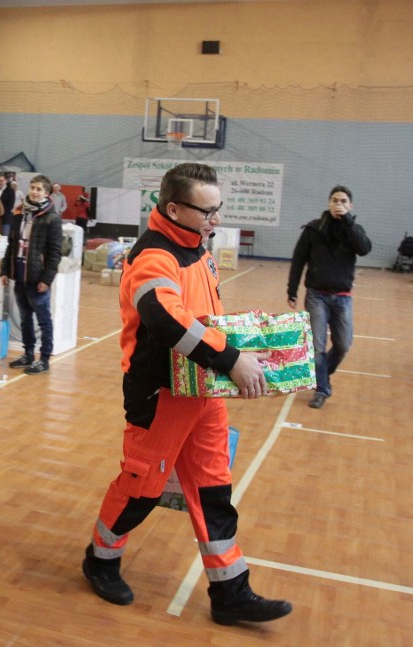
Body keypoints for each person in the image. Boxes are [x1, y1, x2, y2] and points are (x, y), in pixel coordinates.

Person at [81, 162, 293, 626]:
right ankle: (101, 558)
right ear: (173, 208)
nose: (216, 219)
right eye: (207, 211)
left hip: (203, 392)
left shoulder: (199, 248)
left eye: (219, 209)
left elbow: (207, 320)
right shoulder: (154, 257)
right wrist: (231, 360)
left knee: (214, 490)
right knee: (142, 488)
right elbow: (165, 318)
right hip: (160, 393)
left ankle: (230, 591)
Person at [286, 185, 371, 409]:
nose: (338, 204)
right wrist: (292, 290)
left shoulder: (354, 231)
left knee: (343, 344)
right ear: (328, 202)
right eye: (334, 200)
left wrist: (349, 222)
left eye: (343, 201)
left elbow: (364, 249)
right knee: (317, 346)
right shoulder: (314, 229)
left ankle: (321, 372)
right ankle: (321, 388)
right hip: (317, 296)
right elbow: (298, 261)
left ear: (350, 205)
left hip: (343, 298)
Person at [0, 174, 63, 375]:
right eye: (33, 188)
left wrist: (47, 279)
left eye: (39, 189)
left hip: (37, 279)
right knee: (25, 319)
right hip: (19, 274)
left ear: (46, 193)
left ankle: (44, 358)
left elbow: (55, 252)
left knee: (43, 320)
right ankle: (28, 353)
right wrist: (4, 270)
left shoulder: (52, 219)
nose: (35, 192)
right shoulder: (19, 212)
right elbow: (11, 243)